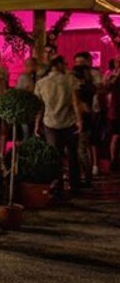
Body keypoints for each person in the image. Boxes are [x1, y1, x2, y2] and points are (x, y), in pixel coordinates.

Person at [35, 56, 82, 195]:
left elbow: (40, 107)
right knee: (72, 154)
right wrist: (80, 120)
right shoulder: (71, 80)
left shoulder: (41, 83)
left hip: (50, 122)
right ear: (60, 65)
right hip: (69, 121)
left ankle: (58, 185)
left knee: (55, 155)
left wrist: (37, 124)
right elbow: (75, 103)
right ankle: (75, 185)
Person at [72, 63, 95, 187]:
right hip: (87, 121)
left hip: (82, 121)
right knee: (83, 150)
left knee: (81, 151)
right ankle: (87, 177)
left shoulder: (80, 90)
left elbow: (84, 107)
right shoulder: (89, 87)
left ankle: (87, 178)